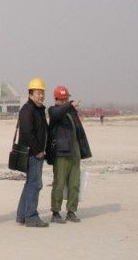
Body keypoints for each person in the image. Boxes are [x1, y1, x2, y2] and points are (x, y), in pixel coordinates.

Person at [47, 85, 92, 223]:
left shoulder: (71, 112)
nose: (66, 101)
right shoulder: (53, 110)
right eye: (63, 99)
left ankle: (71, 211)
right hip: (61, 153)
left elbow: (79, 131)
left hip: (75, 151)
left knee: (74, 183)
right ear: (57, 99)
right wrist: (69, 105)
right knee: (59, 183)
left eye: (67, 98)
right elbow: (56, 114)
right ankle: (55, 212)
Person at [16, 77, 49, 227]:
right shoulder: (28, 110)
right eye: (38, 93)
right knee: (35, 184)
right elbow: (28, 133)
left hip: (36, 152)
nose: (41, 95)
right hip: (32, 153)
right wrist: (37, 151)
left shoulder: (38, 109)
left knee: (30, 183)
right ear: (30, 94)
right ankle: (31, 216)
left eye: (42, 92)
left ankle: (22, 215)